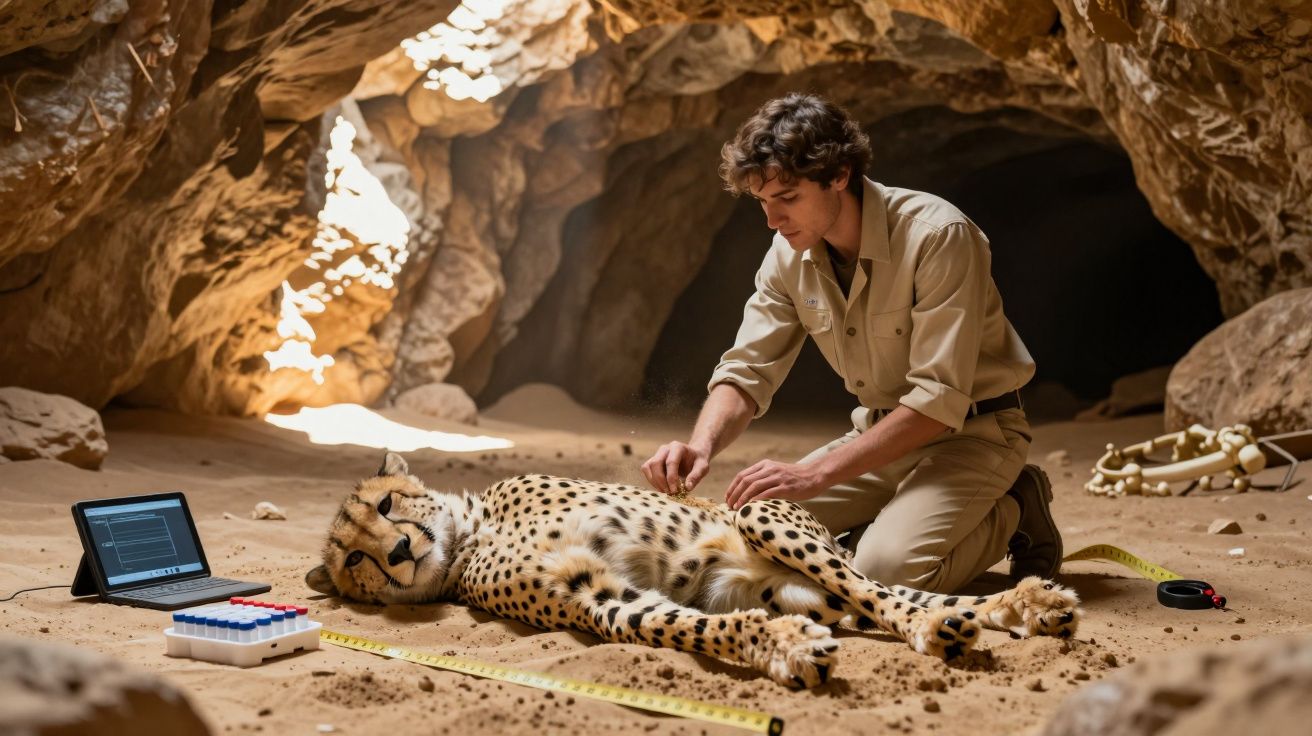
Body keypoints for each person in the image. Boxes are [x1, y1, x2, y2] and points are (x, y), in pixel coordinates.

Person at [640, 92, 1061, 592]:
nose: (772, 221)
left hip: (976, 434)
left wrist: (815, 474)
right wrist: (700, 446)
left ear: (838, 175)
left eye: (788, 198)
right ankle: (890, 519)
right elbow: (748, 371)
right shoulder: (786, 255)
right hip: (878, 437)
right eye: (763, 203)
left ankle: (1016, 506)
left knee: (886, 573)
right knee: (747, 534)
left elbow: (936, 401)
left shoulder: (938, 235)